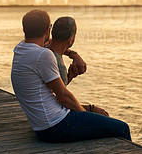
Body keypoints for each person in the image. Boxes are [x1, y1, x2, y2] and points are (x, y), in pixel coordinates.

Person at [11, 9, 131, 142]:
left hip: (43, 125)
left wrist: (73, 57)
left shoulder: (21, 49)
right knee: (122, 128)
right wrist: (85, 115)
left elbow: (51, 44)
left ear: (24, 29)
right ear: (48, 30)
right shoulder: (43, 55)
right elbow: (63, 97)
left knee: (100, 120)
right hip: (56, 126)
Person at [47, 16, 108, 116]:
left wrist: (69, 75)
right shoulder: (57, 64)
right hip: (54, 120)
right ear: (71, 38)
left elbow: (53, 91)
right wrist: (90, 110)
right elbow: (61, 100)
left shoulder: (44, 48)